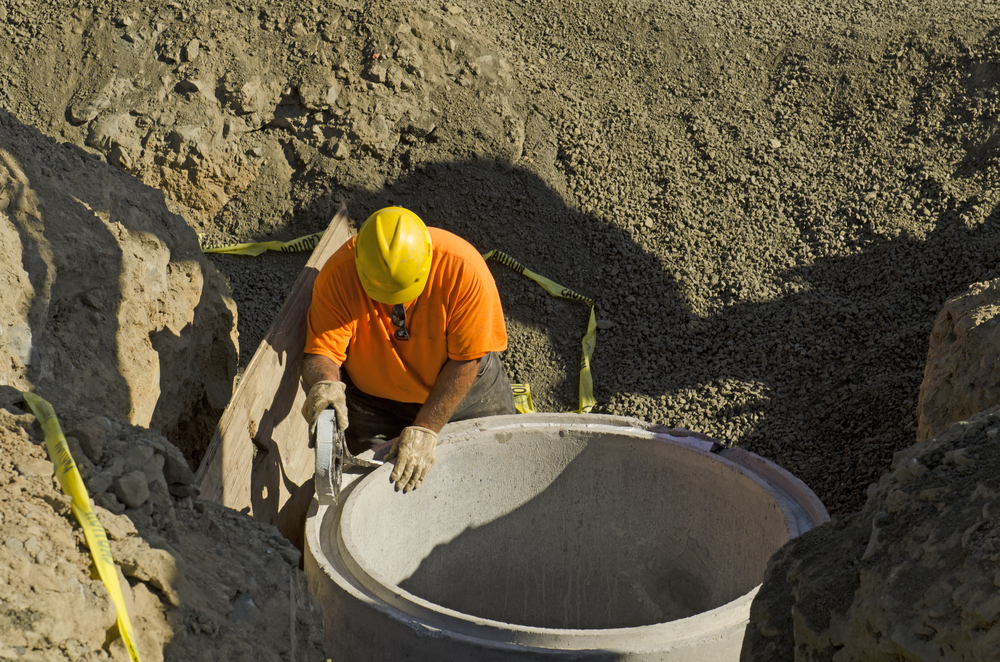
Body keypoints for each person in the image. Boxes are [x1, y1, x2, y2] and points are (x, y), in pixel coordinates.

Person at [300, 206, 516, 494]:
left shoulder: (463, 269)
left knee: (501, 467)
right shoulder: (339, 275)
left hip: (467, 390)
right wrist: (324, 383)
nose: (394, 306)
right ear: (361, 267)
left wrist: (427, 426)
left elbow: (467, 359)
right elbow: (323, 352)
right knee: (380, 492)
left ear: (426, 259)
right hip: (376, 405)